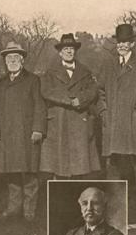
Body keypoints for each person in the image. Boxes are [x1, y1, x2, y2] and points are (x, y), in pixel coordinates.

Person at [97, 24, 136, 216]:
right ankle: (112, 203)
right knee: (112, 163)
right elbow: (99, 91)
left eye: (126, 42)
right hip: (114, 122)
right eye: (119, 42)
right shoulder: (108, 65)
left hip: (134, 122)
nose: (122, 45)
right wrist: (103, 111)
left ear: (132, 43)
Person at [0, 42, 47, 222]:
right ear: (5, 62)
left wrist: (38, 129)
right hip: (7, 134)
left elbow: (40, 106)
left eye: (15, 58)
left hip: (27, 133)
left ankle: (29, 210)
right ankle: (14, 208)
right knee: (11, 172)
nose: (12, 61)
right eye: (9, 59)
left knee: (30, 173)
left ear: (22, 60)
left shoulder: (33, 80)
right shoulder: (1, 83)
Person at [40, 33, 100, 179]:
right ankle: (59, 197)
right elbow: (46, 91)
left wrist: (80, 99)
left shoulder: (85, 72)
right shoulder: (50, 72)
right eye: (65, 48)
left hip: (79, 122)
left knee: (80, 168)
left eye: (71, 48)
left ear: (75, 51)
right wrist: (70, 100)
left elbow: (93, 90)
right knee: (59, 167)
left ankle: (76, 195)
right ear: (60, 52)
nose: (68, 51)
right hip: (58, 123)